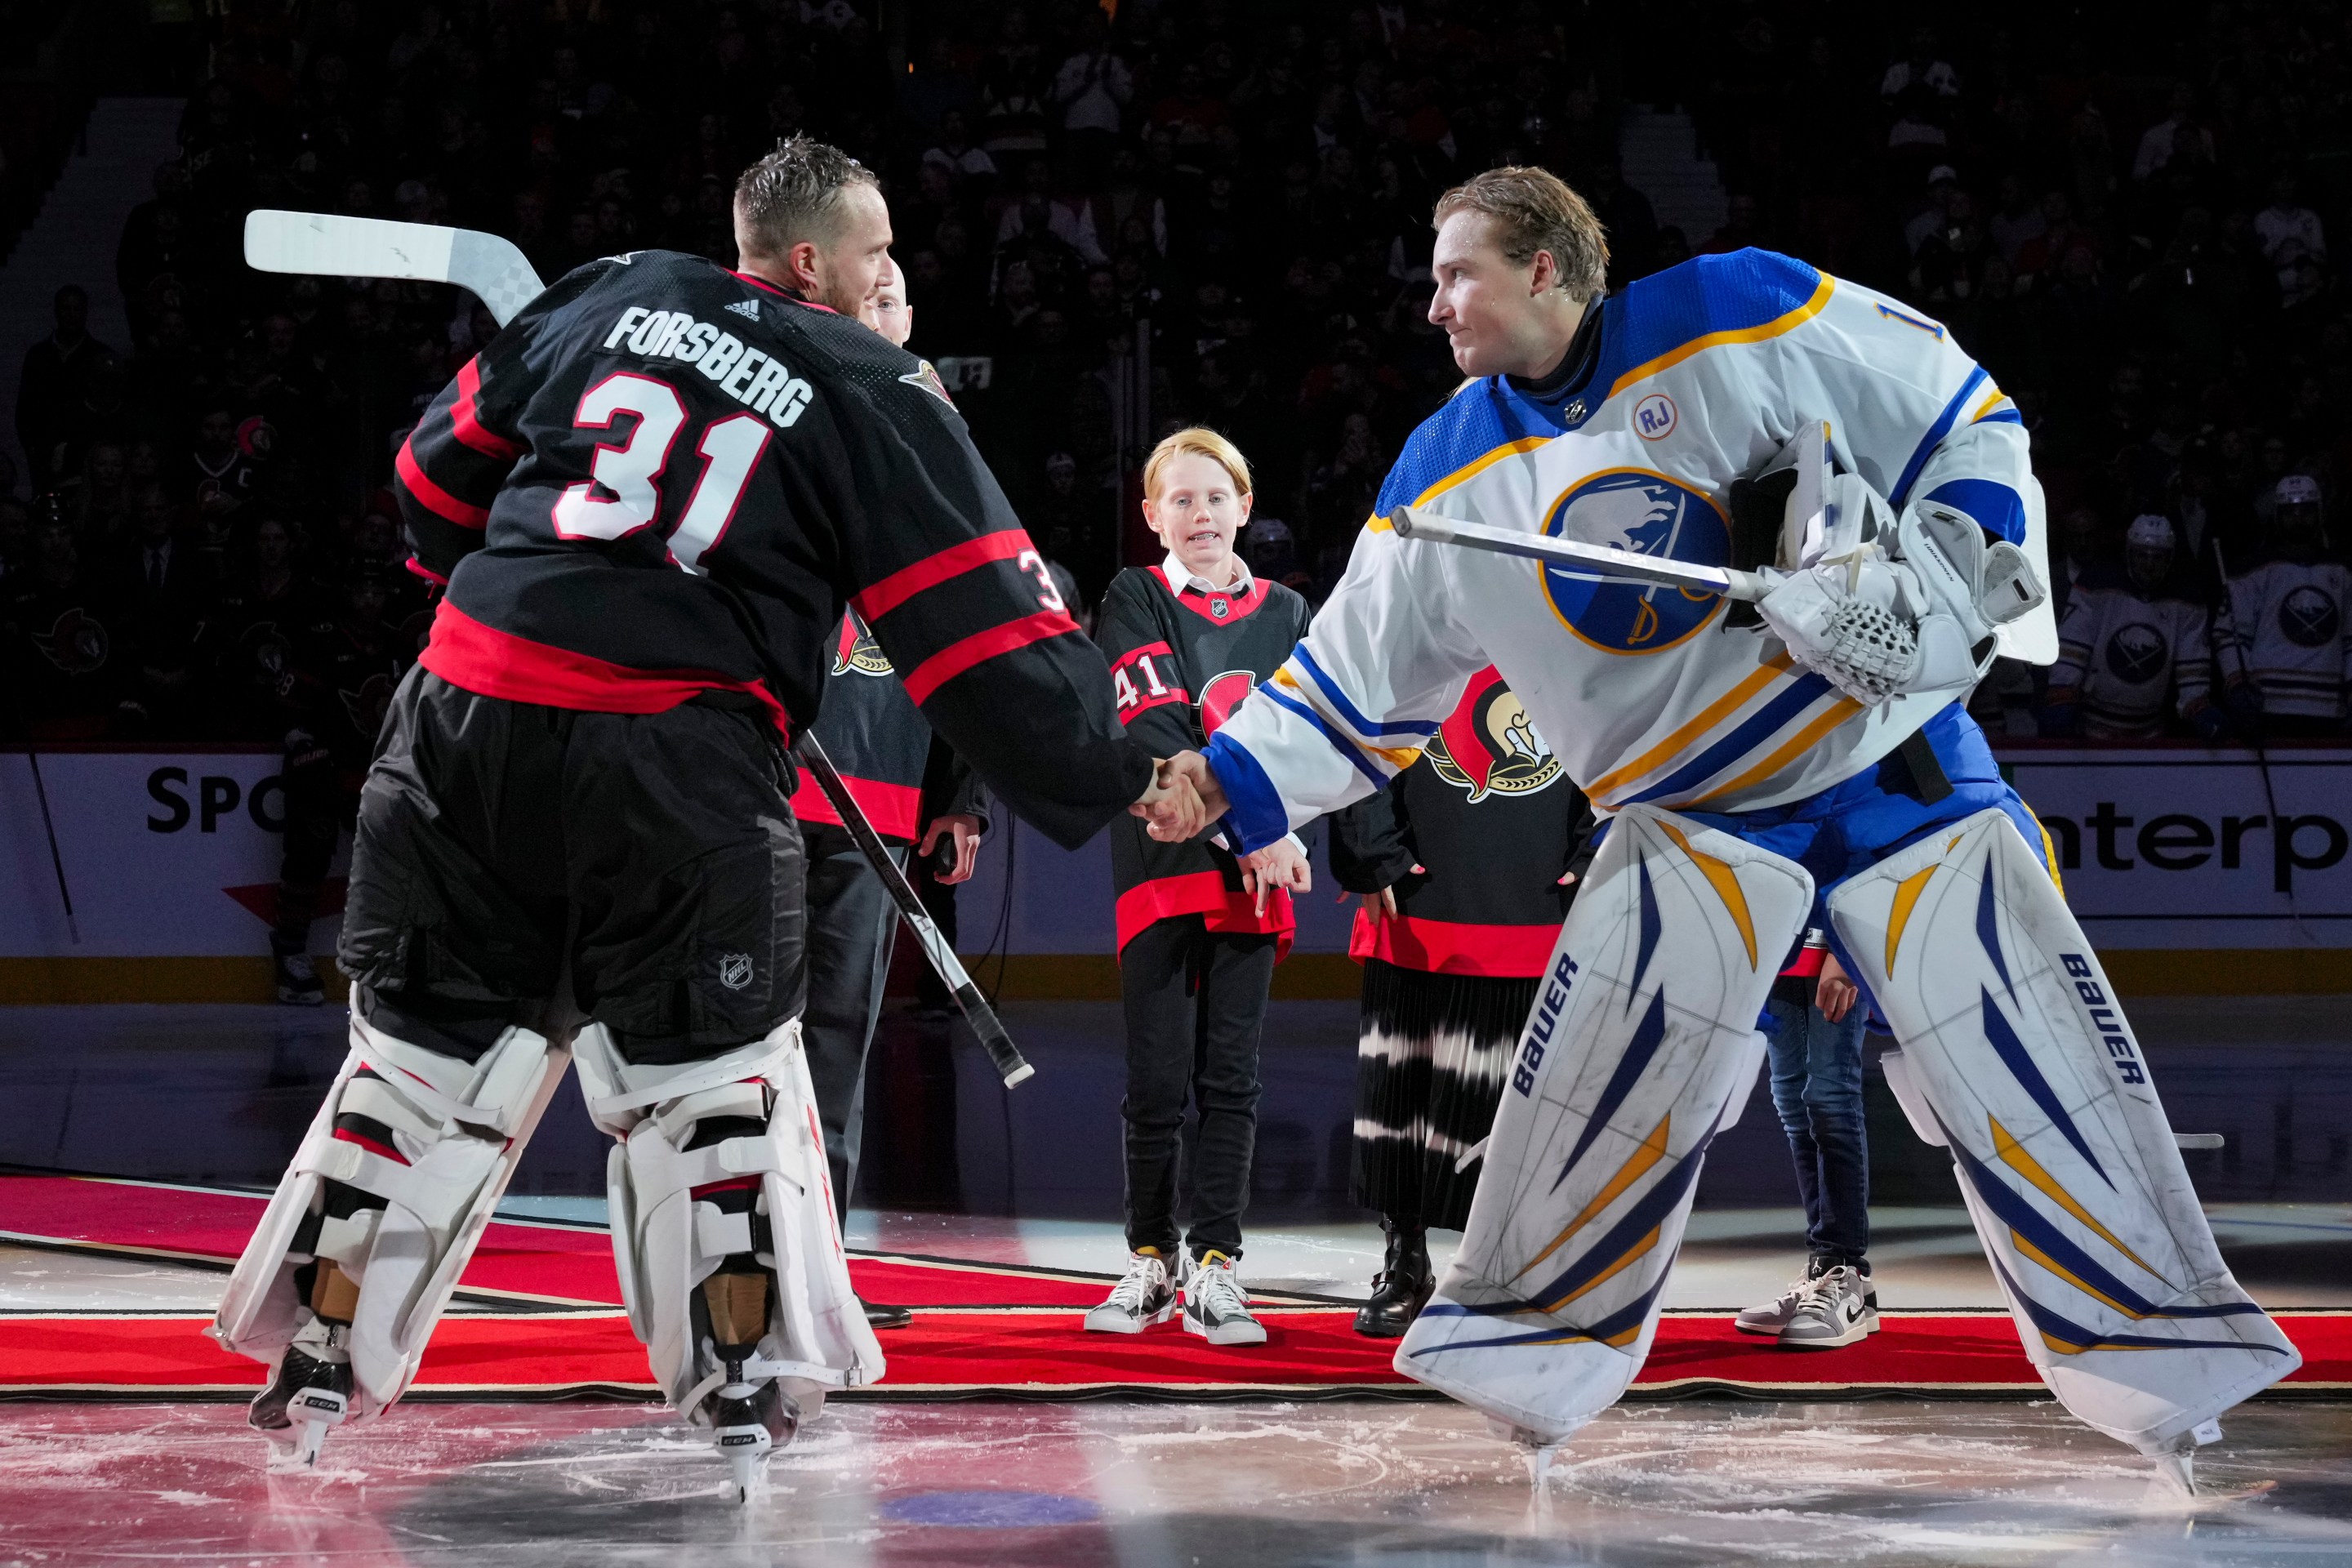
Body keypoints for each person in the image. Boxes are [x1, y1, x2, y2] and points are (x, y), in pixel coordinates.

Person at [1138, 165, 2296, 1477]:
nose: (1434, 303)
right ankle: (1529, 1352)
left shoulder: (1746, 308)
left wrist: (1942, 578)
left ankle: (2167, 1349)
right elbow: (1354, 683)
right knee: (1593, 1089)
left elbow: (1963, 416)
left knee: (2033, 1053)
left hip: (1893, 764)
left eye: (1458, 272)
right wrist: (1222, 780)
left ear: (1546, 271)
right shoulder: (1445, 472)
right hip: (1689, 816)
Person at [210, 137, 1169, 1492]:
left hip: (460, 715)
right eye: (880, 250)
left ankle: (315, 1355)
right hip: (675, 754)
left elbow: (429, 486)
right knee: (710, 1093)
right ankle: (739, 1385)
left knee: (423, 1070)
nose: (894, 273)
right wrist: (1121, 764)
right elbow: (984, 636)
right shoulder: (868, 377)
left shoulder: (611, 288)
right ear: (809, 262)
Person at [784, 254, 988, 1331]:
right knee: (738, 1041)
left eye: (894, 297)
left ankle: (819, 1272)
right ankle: (731, 1265)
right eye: (861, 295)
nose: (878, 309)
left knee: (836, 1042)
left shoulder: (938, 439)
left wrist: (960, 797)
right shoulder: (781, 408)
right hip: (766, 789)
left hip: (877, 806)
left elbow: (969, 625)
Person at [1084, 427, 1312, 1348]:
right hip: (1163, 868)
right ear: (1152, 518)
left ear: (1245, 506)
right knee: (1155, 1077)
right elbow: (1158, 719)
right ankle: (1149, 1257)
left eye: (1215, 497)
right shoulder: (1134, 595)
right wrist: (1253, 828)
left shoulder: (1291, 611)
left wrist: (1274, 835)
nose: (1200, 515)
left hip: (1255, 887)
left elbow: (1312, 739)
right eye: (1179, 500)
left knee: (1232, 1077)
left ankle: (1216, 1264)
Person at [1330, 666, 1592, 1338]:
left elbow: (1621, 734)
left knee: (1521, 1106)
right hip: (1420, 890)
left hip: (1538, 889)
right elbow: (1361, 720)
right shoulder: (1415, 613)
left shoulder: (1568, 627)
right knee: (1405, 1098)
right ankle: (1406, 1259)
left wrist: (1600, 847)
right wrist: (1370, 848)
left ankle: (1513, 1269)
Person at [1734, 936, 1877, 1347]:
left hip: (1837, 936)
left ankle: (1844, 1270)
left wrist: (1847, 951)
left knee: (1830, 1095)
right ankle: (1827, 1274)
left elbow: (1869, 868)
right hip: (1783, 943)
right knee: (1792, 1099)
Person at [2044, 514, 2221, 742]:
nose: (2149, 565)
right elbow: (2074, 643)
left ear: (2170, 558)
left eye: (2158, 557)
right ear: (2128, 553)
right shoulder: (2097, 585)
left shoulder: (2186, 601)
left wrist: (2198, 704)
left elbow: (2192, 664)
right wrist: (2063, 692)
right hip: (2092, 727)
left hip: (2151, 729)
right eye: (2142, 555)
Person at [2222, 477, 2350, 738]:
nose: (2298, 517)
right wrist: (2238, 684)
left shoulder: (2344, 572)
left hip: (2328, 708)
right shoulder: (2252, 571)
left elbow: (2351, 641)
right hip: (2267, 707)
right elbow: (2229, 635)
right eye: (2290, 511)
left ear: (2320, 513)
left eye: (2305, 510)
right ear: (2277, 517)